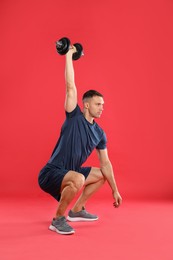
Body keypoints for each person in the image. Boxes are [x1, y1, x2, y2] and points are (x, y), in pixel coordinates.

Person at [38, 45, 122, 235]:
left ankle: (76, 210)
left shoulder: (100, 133)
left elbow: (106, 164)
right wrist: (68, 55)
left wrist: (114, 190)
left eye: (103, 105)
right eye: (98, 104)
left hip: (72, 172)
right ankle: (58, 220)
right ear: (86, 105)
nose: (102, 108)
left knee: (102, 174)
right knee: (79, 177)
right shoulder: (73, 116)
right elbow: (70, 86)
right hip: (51, 173)